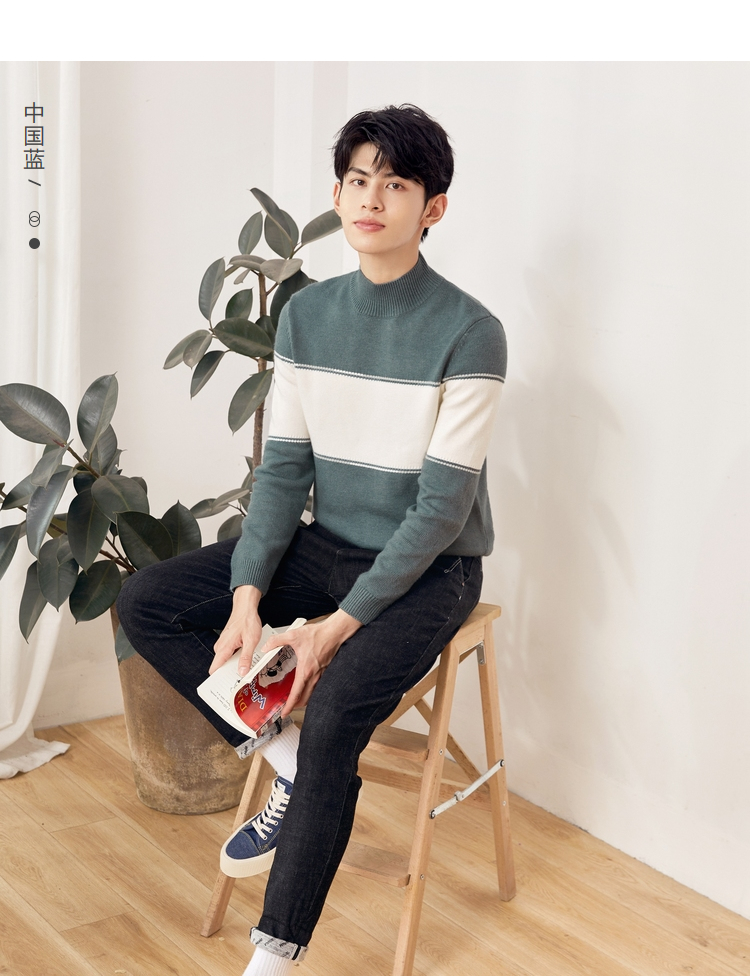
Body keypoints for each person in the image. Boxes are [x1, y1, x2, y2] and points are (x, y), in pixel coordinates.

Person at [116, 103, 507, 976]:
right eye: (357, 180)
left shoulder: (471, 331)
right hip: (327, 543)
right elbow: (284, 472)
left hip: (431, 568)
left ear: (432, 208)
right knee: (148, 603)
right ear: (337, 195)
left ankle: (273, 959)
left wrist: (330, 631)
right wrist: (248, 598)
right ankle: (283, 757)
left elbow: (441, 512)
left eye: (395, 184)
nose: (371, 199)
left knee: (333, 716)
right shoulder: (307, 317)